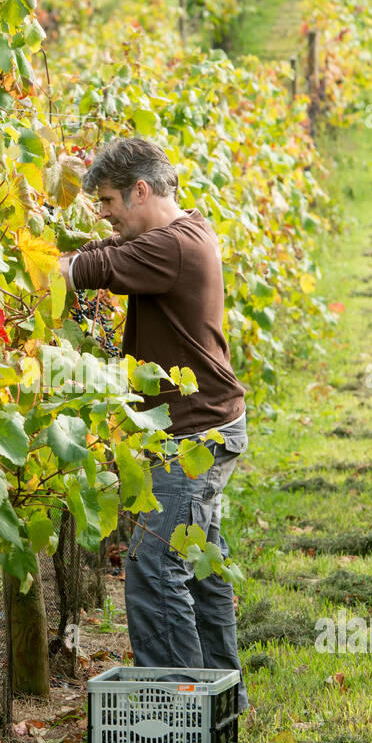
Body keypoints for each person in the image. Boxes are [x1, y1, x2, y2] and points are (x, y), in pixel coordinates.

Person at [57, 137, 250, 712]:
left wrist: (41, 264)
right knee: (197, 571)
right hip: (205, 429)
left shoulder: (174, 246)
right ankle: (221, 711)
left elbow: (91, 267)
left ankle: (177, 722)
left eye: (111, 200)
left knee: (154, 569)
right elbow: (109, 256)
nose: (107, 214)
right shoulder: (187, 231)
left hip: (192, 437)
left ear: (142, 190)